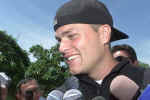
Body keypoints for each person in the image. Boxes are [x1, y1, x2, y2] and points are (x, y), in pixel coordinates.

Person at [53, 0, 143, 99]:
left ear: (104, 34)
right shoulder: (66, 90)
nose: (61, 48)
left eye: (71, 36)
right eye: (59, 40)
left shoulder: (144, 79)